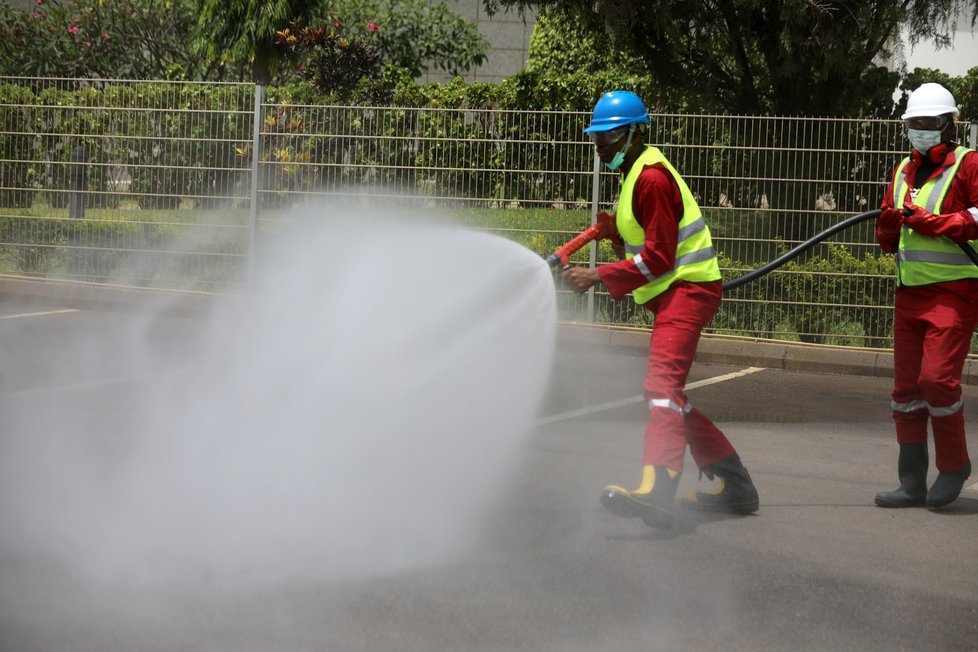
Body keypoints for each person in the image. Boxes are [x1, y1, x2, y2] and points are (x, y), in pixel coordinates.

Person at [562, 90, 759, 528]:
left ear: (634, 133)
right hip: (679, 291)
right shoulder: (637, 173)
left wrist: (596, 276)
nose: (601, 145)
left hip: (688, 289)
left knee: (660, 388)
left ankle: (658, 489)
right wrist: (616, 235)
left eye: (609, 135)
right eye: (597, 136)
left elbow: (658, 258)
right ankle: (735, 484)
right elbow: (645, 243)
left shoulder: (649, 176)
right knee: (672, 398)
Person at [875, 82, 978, 510]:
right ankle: (911, 481)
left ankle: (954, 466)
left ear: (948, 124)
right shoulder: (902, 171)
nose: (922, 130)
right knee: (906, 390)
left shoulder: (969, 164)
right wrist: (887, 224)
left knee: (936, 380)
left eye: (930, 123)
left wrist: (931, 222)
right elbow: (887, 239)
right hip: (909, 293)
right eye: (915, 124)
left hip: (954, 293)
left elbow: (975, 218)